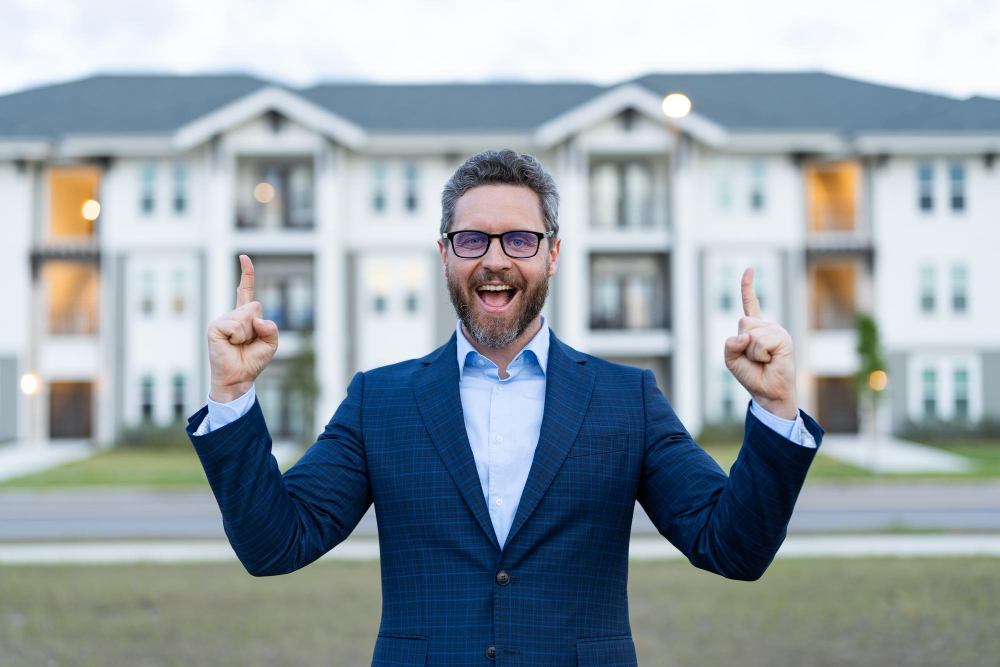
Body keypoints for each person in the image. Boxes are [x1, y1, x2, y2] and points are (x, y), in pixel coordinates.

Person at [186, 149, 824, 666]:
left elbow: (732, 548)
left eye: (519, 239)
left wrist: (774, 410)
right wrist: (234, 397)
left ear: (551, 252)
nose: (494, 260)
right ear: (444, 254)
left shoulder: (624, 399)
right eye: (472, 240)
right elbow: (275, 544)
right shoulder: (379, 402)